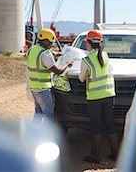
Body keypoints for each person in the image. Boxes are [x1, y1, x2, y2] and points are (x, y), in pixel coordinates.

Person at [79, 29, 119, 163]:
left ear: (89, 43)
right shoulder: (105, 56)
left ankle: (95, 156)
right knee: (109, 124)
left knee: (96, 126)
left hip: (94, 97)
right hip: (109, 95)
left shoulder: (86, 60)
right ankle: (115, 154)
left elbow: (81, 78)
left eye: (86, 43)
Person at [26, 28, 72, 122]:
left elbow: (38, 61)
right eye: (51, 42)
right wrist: (67, 64)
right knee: (48, 116)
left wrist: (54, 55)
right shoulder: (45, 54)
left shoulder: (32, 50)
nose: (52, 44)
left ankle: (34, 134)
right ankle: (48, 135)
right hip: (43, 89)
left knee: (38, 113)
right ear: (46, 41)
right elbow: (58, 71)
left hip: (34, 87)